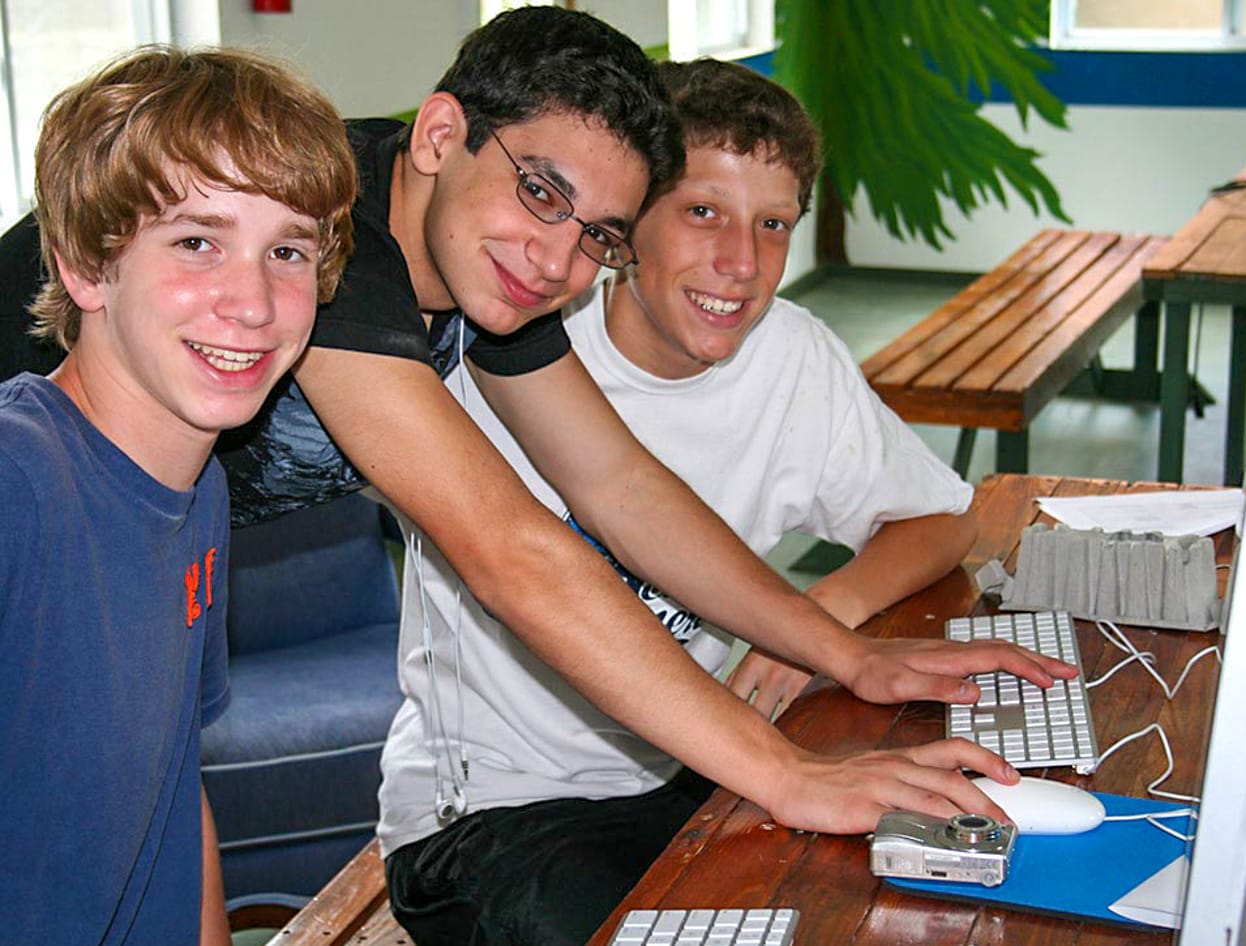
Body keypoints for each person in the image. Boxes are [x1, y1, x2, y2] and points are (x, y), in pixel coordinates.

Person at [0, 8, 1071, 930]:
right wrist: (789, 773)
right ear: (440, 137)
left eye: (598, 233)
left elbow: (618, 485)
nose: (557, 259)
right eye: (542, 193)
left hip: (149, 541)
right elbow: (510, 548)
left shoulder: (485, 261)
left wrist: (845, 653)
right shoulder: (329, 247)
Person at [377, 57, 990, 946]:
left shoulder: (790, 355)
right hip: (498, 810)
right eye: (703, 211)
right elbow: (529, 561)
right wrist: (790, 756)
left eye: (773, 224)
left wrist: (821, 623)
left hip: (694, 768)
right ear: (626, 226)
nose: (741, 263)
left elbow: (945, 515)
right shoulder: (506, 334)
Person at [0, 46, 356, 945]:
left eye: (287, 250)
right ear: (85, 267)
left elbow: (171, 782)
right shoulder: (19, 479)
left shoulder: (199, 493)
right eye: (198, 242)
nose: (254, 302)